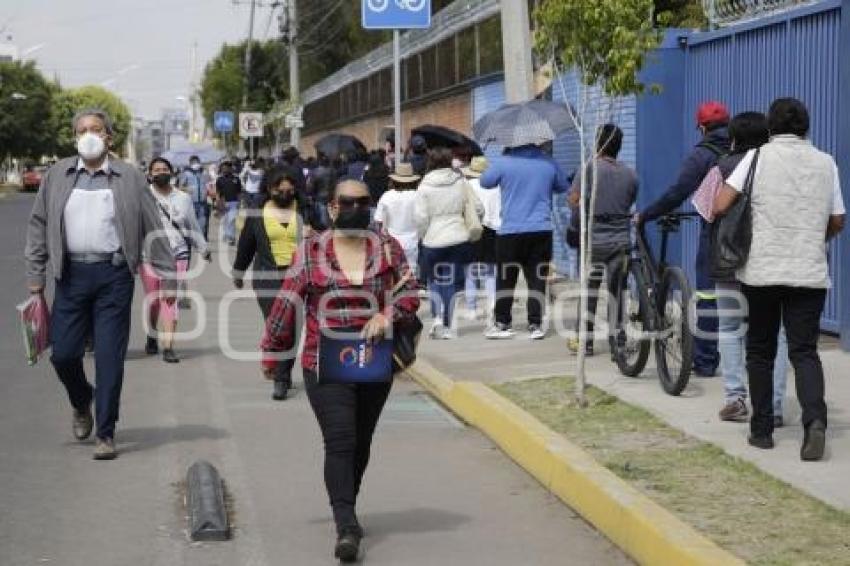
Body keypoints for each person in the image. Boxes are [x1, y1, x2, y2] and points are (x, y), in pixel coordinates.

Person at [260, 180, 420, 561]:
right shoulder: (311, 250)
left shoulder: (387, 247)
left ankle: (347, 503)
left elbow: (410, 292)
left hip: (373, 360)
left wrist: (387, 314)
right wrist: (273, 354)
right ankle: (346, 524)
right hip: (323, 360)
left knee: (361, 443)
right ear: (332, 207)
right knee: (341, 439)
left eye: (363, 201)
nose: (355, 207)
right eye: (346, 202)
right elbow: (286, 303)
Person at [24, 108, 175, 460]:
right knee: (63, 355)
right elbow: (38, 226)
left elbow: (152, 227)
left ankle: (106, 432)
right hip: (71, 276)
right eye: (83, 130)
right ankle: (82, 400)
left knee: (109, 357)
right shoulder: (58, 175)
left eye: (96, 129)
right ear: (75, 137)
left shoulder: (130, 177)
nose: (89, 134)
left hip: (114, 277)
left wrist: (168, 278)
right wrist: (36, 278)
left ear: (109, 137)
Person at [714, 98, 846, 460]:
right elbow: (837, 220)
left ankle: (761, 432)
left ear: (771, 128)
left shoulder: (755, 159)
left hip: (762, 271)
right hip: (809, 270)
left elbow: (721, 204)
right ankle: (814, 422)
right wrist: (812, 237)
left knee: (760, 350)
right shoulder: (825, 162)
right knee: (804, 351)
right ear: (806, 127)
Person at [638, 101, 731, 377]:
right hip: (751, 234)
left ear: (702, 128)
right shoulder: (746, 149)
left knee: (707, 296)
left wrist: (648, 214)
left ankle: (705, 360)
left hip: (715, 234)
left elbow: (678, 192)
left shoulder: (702, 155)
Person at [708, 112, 789, 425]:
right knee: (775, 334)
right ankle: (776, 406)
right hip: (770, 263)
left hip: (731, 262)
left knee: (729, 329)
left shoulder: (723, 166)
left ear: (734, 137)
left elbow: (710, 208)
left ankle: (735, 398)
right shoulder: (779, 166)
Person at [233, 164, 317, 401]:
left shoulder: (306, 210)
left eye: (289, 191)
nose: (285, 195)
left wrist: (313, 235)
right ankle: (280, 376)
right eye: (279, 191)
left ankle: (283, 374)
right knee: (277, 324)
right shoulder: (257, 213)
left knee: (292, 326)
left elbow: (326, 237)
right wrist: (238, 272)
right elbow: (246, 245)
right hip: (267, 277)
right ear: (269, 189)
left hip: (298, 276)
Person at [479, 143, 570, 340]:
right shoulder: (548, 162)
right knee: (537, 278)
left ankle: (503, 323)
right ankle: (535, 324)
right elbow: (563, 186)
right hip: (541, 229)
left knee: (506, 278)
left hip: (510, 230)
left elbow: (485, 182)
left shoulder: (504, 163)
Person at [566, 124, 638, 356]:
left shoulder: (588, 169)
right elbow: (629, 202)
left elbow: (575, 201)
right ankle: (617, 340)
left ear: (599, 143)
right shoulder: (630, 174)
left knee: (590, 292)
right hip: (621, 242)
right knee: (618, 292)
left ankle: (584, 342)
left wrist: (577, 223)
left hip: (593, 243)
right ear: (619, 146)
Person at [143, 157, 211, 364]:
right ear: (150, 173)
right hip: (150, 256)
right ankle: (153, 334)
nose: (160, 172)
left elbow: (191, 225)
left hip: (178, 255)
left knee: (170, 300)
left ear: (172, 173)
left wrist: (203, 247)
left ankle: (168, 347)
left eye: (165, 169)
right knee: (154, 300)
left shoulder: (183, 198)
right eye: (156, 169)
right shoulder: (143, 197)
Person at [415, 148, 482, 340]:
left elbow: (420, 218)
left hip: (433, 239)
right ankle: (448, 324)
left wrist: (423, 235)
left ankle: (436, 317)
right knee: (451, 282)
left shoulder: (424, 187)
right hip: (458, 237)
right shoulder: (460, 181)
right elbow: (477, 207)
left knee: (434, 280)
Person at [461, 156, 501, 322]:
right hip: (493, 230)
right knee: (491, 271)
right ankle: (492, 305)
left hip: (472, 230)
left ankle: (472, 308)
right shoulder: (497, 187)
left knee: (470, 271)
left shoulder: (468, 185)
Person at [374, 162, 421, 274]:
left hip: (391, 242)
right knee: (411, 275)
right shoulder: (418, 196)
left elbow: (378, 221)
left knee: (393, 275)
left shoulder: (387, 196)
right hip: (412, 242)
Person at [179, 154, 212, 240]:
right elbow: (180, 187)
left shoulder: (203, 173)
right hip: (191, 202)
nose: (196, 164)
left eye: (197, 162)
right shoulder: (186, 173)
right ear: (190, 163)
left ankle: (200, 238)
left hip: (203, 202)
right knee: (192, 222)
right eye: (194, 162)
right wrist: (187, 189)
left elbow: (209, 184)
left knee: (202, 222)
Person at [216, 159, 243, 246]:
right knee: (225, 220)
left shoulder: (236, 179)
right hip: (223, 202)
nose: (225, 170)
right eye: (223, 168)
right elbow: (218, 192)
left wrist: (239, 202)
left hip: (234, 202)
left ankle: (231, 238)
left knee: (232, 220)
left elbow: (239, 192)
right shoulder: (219, 180)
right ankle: (227, 235)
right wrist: (218, 203)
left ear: (231, 168)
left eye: (227, 168)